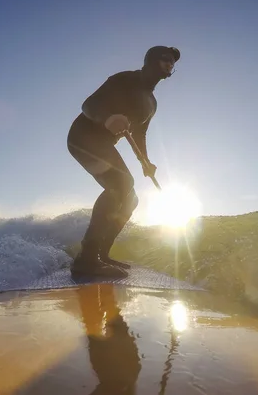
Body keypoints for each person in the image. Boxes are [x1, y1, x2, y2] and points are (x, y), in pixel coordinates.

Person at [67, 45, 181, 277]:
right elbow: (88, 104)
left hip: (103, 145)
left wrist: (145, 162)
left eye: (173, 62)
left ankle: (101, 254)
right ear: (150, 60)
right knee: (121, 184)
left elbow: (140, 134)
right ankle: (86, 260)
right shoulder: (126, 79)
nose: (170, 64)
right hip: (82, 137)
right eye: (165, 59)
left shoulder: (152, 102)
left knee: (131, 198)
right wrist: (106, 117)